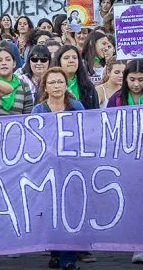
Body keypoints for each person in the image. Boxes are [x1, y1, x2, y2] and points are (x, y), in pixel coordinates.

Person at [31, 67, 84, 270]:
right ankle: (55, 252)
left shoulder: (76, 106)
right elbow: (33, 140)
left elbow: (85, 134)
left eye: (60, 82)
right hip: (47, 170)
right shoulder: (39, 110)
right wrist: (48, 150)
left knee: (69, 212)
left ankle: (68, 259)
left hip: (71, 168)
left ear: (66, 84)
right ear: (45, 86)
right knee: (52, 211)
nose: (56, 86)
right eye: (52, 82)